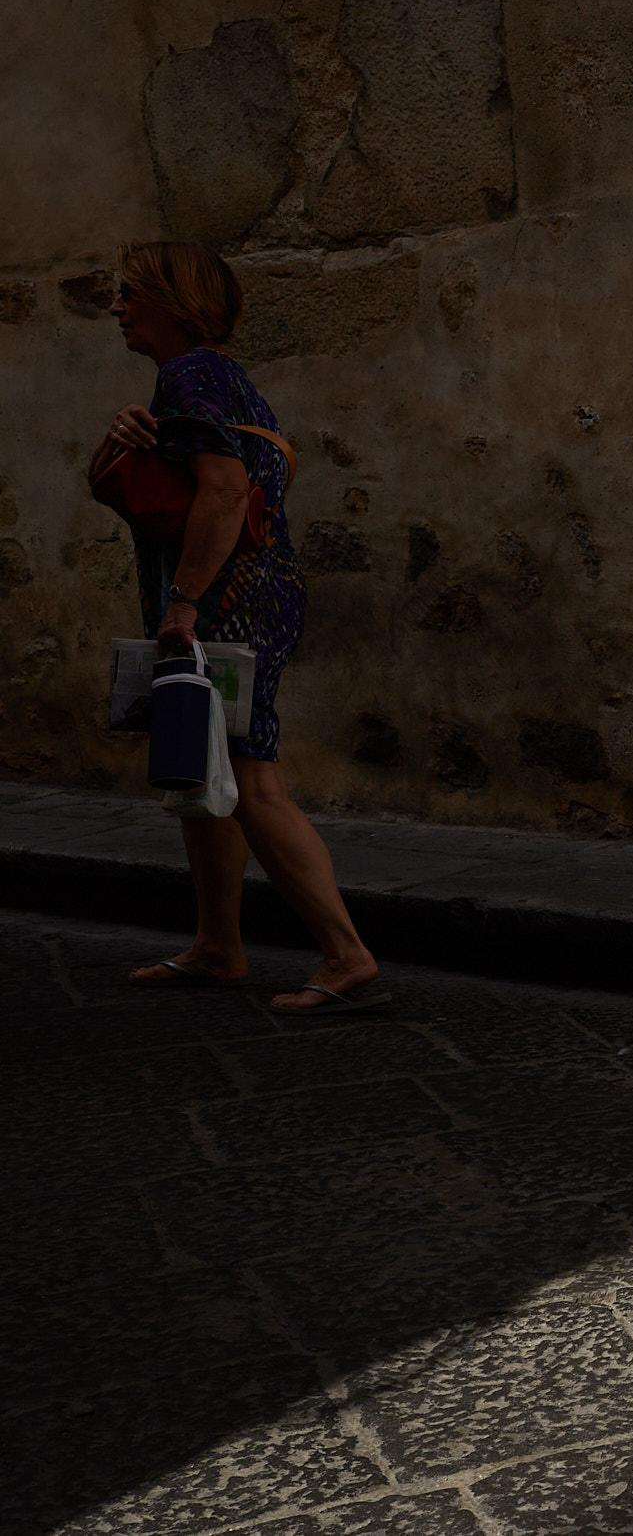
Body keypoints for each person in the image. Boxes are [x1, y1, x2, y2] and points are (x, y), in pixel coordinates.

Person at [89, 241, 380, 1013]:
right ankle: (219, 943)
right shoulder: (217, 381)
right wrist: (124, 437)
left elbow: (220, 493)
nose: (116, 307)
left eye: (129, 293)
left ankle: (345, 951)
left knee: (251, 779)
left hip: (228, 600)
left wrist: (183, 604)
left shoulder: (191, 374)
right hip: (248, 591)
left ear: (175, 303)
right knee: (200, 764)